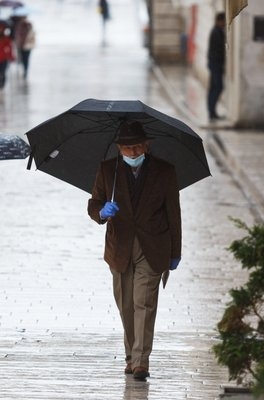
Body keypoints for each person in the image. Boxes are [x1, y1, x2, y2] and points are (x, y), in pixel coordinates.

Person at [87, 121, 182, 381]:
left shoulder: (165, 171)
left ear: (146, 145)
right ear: (119, 149)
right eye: (127, 148)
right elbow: (93, 203)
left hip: (153, 247)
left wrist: (175, 250)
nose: (132, 152)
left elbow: (174, 213)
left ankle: (141, 361)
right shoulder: (108, 170)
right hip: (120, 248)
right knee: (126, 305)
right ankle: (130, 356)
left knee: (144, 303)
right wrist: (102, 212)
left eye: (137, 147)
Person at [207, 12, 227, 121]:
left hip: (214, 64)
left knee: (214, 88)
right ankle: (212, 111)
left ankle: (212, 111)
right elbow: (218, 51)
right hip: (215, 64)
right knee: (218, 87)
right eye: (224, 21)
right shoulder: (216, 32)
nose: (225, 23)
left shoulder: (217, 31)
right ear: (219, 21)